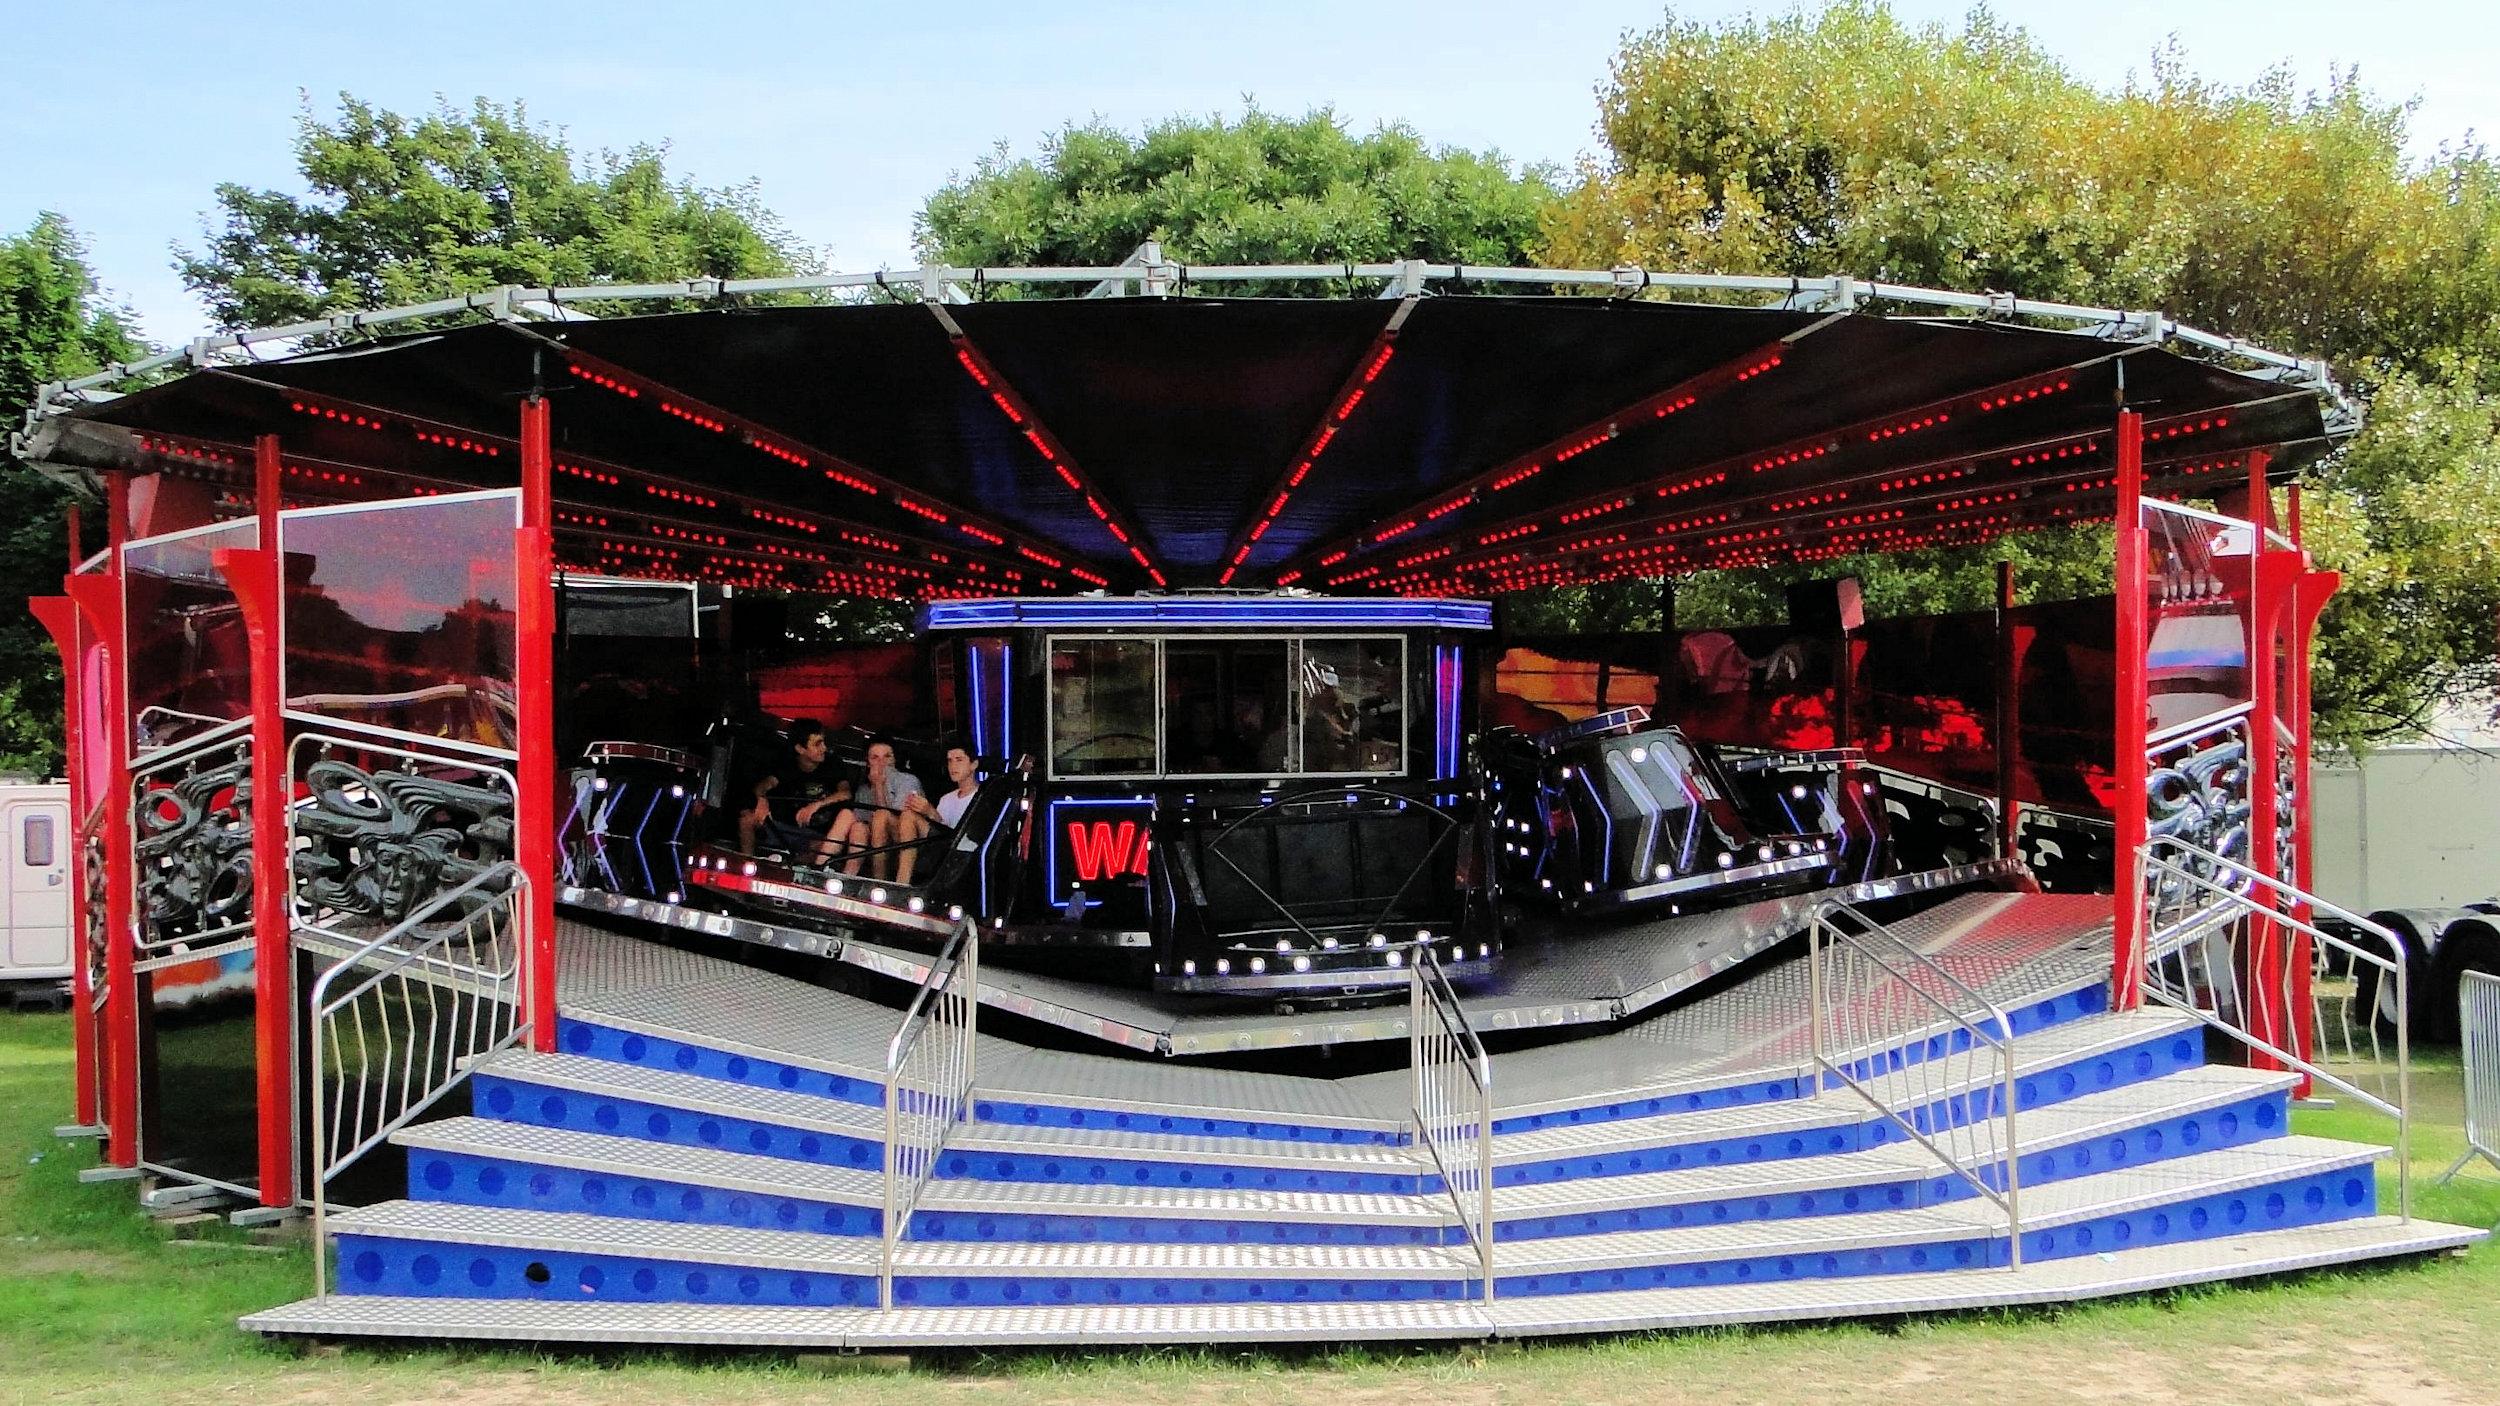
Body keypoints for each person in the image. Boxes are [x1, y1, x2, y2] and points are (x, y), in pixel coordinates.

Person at [738, 719, 850, 865]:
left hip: (814, 834)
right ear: (800, 749)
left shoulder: (833, 764)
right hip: (781, 827)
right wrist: (762, 799)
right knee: (747, 819)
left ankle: (782, 865)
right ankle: (746, 864)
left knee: (824, 847)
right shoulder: (787, 763)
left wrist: (816, 805)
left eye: (823, 742)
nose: (824, 748)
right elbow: (764, 785)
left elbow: (846, 793)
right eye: (817, 744)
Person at [846, 738, 930, 884]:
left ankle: (880, 882)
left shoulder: (906, 780)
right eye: (875, 757)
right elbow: (862, 820)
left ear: (894, 759)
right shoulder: (864, 789)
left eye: (887, 756)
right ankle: (846, 876)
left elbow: (897, 816)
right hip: (877, 840)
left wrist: (879, 786)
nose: (881, 762)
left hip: (907, 836)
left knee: (881, 815)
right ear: (868, 762)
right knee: (857, 827)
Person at [911, 744, 982, 831]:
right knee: (908, 815)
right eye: (950, 761)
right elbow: (939, 830)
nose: (953, 766)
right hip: (942, 842)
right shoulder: (946, 799)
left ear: (974, 764)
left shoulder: (981, 797)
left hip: (964, 843)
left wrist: (931, 812)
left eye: (959, 760)